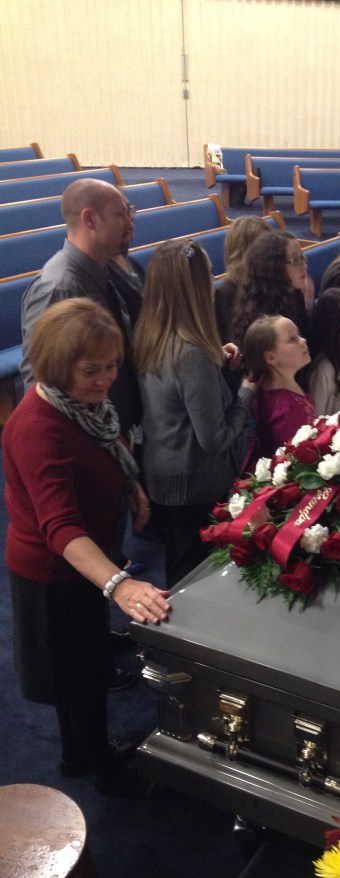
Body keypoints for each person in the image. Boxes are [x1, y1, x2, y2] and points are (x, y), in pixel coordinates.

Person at [3, 298, 171, 798]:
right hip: (53, 573)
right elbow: (59, 526)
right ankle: (102, 766)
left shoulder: (81, 405)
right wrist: (119, 584)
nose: (105, 380)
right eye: (91, 369)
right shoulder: (38, 427)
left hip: (85, 565)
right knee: (82, 676)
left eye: (111, 366)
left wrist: (130, 487)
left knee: (80, 667)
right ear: (57, 365)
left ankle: (77, 752)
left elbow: (106, 448)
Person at [132, 238, 257, 588]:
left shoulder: (151, 334)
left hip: (163, 471)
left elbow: (175, 392)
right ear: (193, 288)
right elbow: (214, 438)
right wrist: (247, 391)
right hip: (194, 483)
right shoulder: (192, 355)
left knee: (179, 559)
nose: (214, 284)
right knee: (192, 578)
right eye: (207, 276)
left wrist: (214, 355)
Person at [20, 178, 141, 434]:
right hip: (84, 437)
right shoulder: (59, 287)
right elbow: (41, 380)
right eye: (120, 215)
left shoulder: (104, 269)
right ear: (90, 220)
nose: (129, 224)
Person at [242, 315, 316, 467]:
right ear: (271, 358)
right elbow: (294, 465)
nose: (303, 340)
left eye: (299, 335)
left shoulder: (283, 388)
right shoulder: (284, 408)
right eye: (292, 339)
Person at [230, 230, 311, 349]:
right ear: (275, 267)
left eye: (302, 258)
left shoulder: (294, 293)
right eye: (295, 260)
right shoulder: (264, 316)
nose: (304, 266)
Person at [214, 215, 273, 344]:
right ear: (243, 252)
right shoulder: (226, 293)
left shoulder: (274, 281)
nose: (271, 253)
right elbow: (233, 342)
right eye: (263, 247)